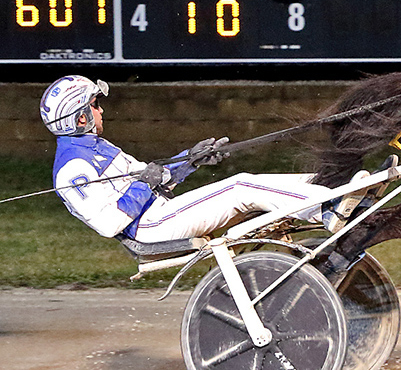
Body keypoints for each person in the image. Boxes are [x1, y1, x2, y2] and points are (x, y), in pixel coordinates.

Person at [40, 75, 378, 244]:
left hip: (159, 211)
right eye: (94, 106)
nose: (100, 110)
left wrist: (190, 160)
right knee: (241, 185)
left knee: (252, 181)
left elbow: (153, 176)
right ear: (80, 118)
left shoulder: (96, 148)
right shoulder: (73, 168)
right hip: (151, 226)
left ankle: (336, 189)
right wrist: (145, 185)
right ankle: (325, 208)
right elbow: (109, 223)